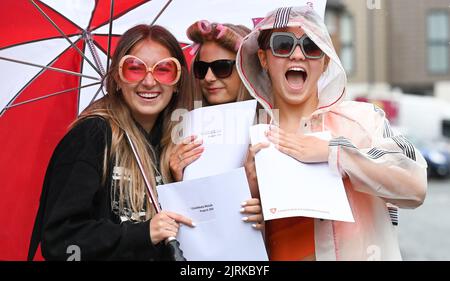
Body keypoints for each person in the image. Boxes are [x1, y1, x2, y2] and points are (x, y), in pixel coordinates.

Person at [238, 6, 427, 260]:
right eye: (283, 44)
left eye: (311, 46)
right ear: (263, 58)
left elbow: (415, 186)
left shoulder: (361, 120)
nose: (297, 54)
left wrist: (335, 153)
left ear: (325, 60)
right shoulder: (250, 138)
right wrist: (250, 193)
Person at [28, 24, 196, 260]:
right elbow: (59, 241)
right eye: (135, 69)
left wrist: (182, 186)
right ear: (117, 77)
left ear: (177, 81)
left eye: (163, 70)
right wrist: (142, 233)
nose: (149, 81)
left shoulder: (180, 142)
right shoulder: (92, 136)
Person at [164, 21, 264, 231]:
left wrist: (267, 212)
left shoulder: (272, 124)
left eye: (222, 68)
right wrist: (178, 180)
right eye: (202, 69)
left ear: (248, 69)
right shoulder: (177, 126)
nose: (209, 78)